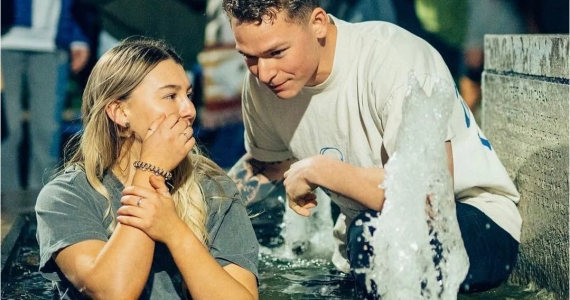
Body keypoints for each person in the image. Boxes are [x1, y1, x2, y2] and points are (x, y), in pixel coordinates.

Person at [222, 0, 521, 299]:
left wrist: (320, 169)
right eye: (249, 57)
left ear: (318, 24)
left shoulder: (395, 61)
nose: (264, 73)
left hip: (473, 219)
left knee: (373, 236)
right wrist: (203, 206)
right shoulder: (261, 89)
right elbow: (268, 164)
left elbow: (427, 201)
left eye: (276, 53)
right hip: (366, 233)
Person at [35, 37, 259, 300]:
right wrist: (150, 170)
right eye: (170, 96)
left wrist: (175, 232)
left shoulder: (214, 188)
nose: (189, 110)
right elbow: (113, 292)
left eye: (187, 95)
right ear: (119, 112)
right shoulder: (67, 196)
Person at [0, 0, 90, 193]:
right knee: (7, 129)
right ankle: (6, 202)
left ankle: (42, 202)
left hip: (52, 43)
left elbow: (76, 6)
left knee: (47, 129)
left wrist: (77, 36)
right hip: (4, 42)